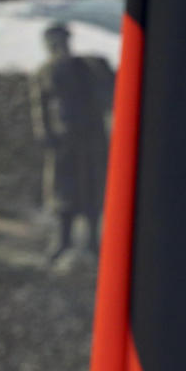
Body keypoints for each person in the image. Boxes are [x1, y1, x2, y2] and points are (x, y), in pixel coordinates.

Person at [30, 22, 114, 262]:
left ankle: (92, 242)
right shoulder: (44, 71)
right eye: (53, 43)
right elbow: (40, 105)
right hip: (62, 140)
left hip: (89, 137)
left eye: (62, 41)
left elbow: (105, 96)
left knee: (91, 188)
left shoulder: (85, 67)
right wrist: (44, 132)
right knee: (63, 191)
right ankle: (63, 241)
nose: (58, 47)